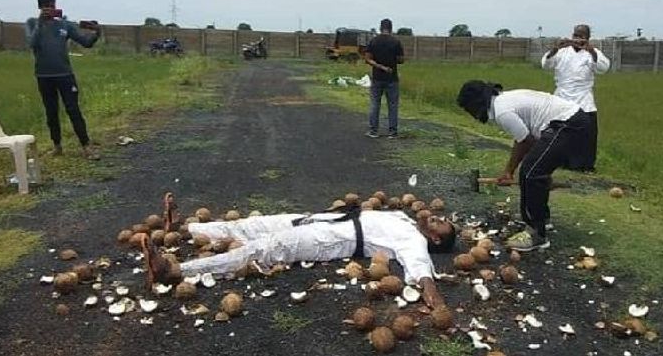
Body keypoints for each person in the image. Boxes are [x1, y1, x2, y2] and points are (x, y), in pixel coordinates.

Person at [138, 209, 456, 309]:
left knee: (260, 249)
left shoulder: (416, 242)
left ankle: (174, 270)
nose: (437, 217)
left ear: (436, 238)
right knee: (251, 226)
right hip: (321, 219)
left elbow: (420, 271)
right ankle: (186, 228)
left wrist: (434, 298)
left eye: (441, 223)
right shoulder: (404, 217)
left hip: (329, 241)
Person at [457, 81, 590, 251]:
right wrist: (510, 171)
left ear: (475, 104)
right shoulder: (503, 102)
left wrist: (520, 170)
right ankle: (541, 220)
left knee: (530, 173)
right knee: (534, 171)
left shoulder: (502, 111)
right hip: (570, 122)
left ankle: (536, 233)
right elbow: (522, 139)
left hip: (568, 124)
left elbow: (527, 142)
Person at [24, 0, 100, 160]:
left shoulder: (65, 25)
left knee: (73, 109)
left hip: (65, 75)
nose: (49, 9)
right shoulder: (32, 23)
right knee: (51, 112)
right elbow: (32, 43)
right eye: (45, 6)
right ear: (39, 7)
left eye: (51, 5)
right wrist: (40, 22)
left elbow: (85, 43)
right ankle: (57, 146)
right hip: (44, 76)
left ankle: (87, 146)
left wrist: (96, 34)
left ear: (55, 5)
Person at [541, 24, 610, 172]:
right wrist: (556, 48)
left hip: (583, 99)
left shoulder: (593, 53)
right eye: (576, 35)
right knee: (559, 133)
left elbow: (603, 68)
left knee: (586, 134)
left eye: (582, 36)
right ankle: (558, 161)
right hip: (562, 97)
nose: (578, 39)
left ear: (588, 38)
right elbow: (545, 65)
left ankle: (584, 165)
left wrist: (591, 50)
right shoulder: (562, 51)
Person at [364, 18, 404, 139]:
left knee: (375, 104)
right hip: (392, 78)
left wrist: (379, 66)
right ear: (391, 28)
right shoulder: (396, 42)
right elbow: (401, 60)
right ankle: (392, 132)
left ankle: (373, 131)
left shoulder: (373, 41)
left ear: (380, 28)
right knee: (392, 105)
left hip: (377, 77)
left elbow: (367, 59)